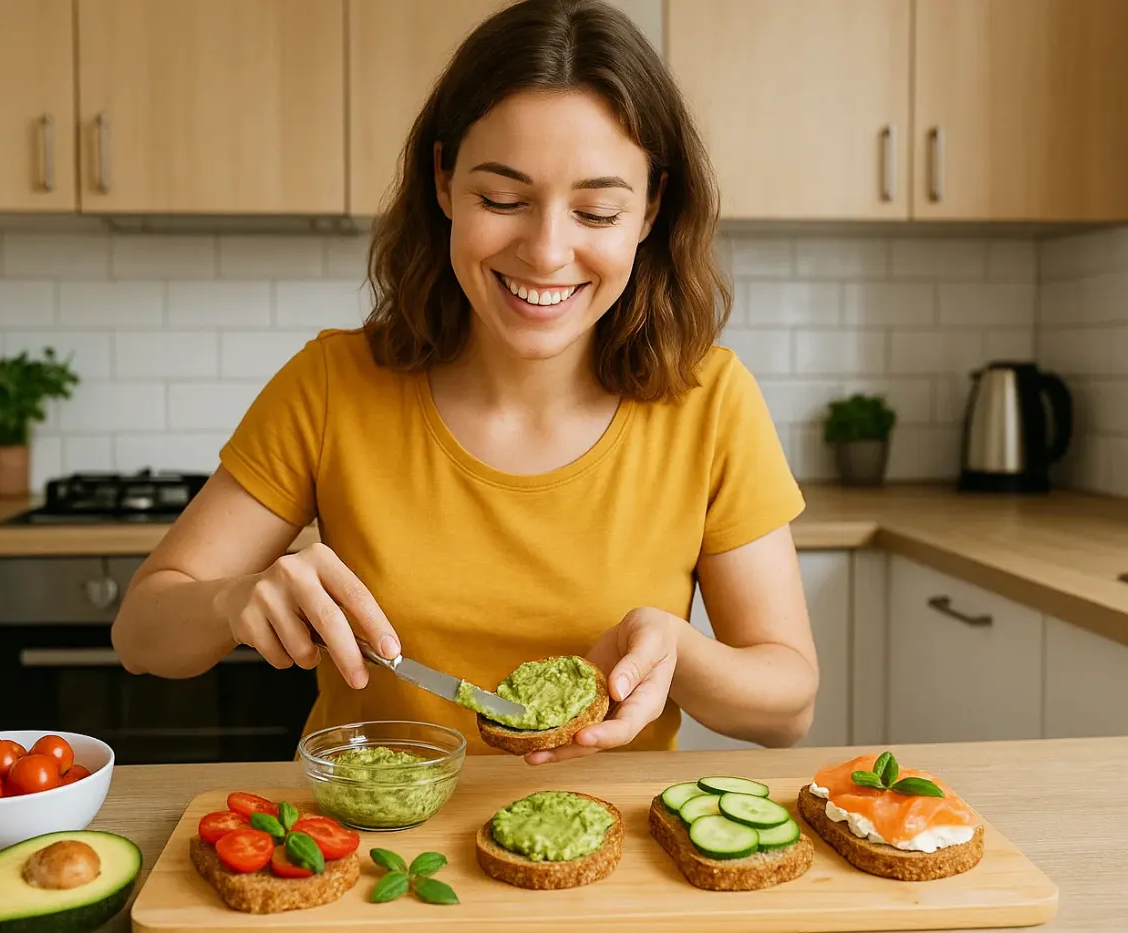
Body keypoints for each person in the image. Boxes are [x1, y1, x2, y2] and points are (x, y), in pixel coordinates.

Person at [110, 0, 818, 765]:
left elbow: (787, 709)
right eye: (502, 199)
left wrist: (681, 649)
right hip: (373, 842)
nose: (547, 252)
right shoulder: (332, 385)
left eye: (596, 210)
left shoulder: (710, 400)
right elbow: (142, 633)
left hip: (610, 862)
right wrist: (231, 599)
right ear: (444, 181)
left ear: (650, 209)